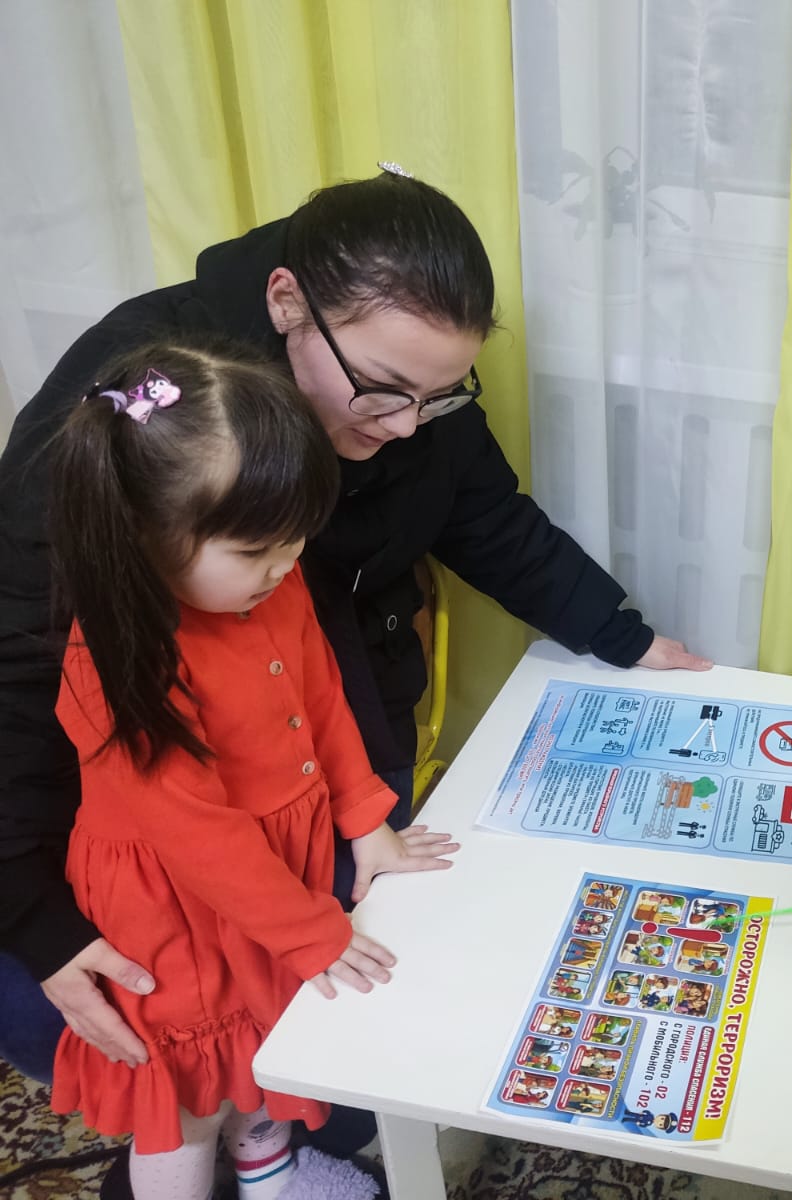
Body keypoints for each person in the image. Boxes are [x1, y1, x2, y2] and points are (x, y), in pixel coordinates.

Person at [0, 167, 708, 1160]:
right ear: (286, 301)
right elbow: (25, 671)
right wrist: (35, 918)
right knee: (222, 1070)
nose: (406, 424)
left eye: (436, 396)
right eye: (381, 390)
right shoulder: (141, 420)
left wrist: (626, 637)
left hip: (321, 778)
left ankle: (277, 1151)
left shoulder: (402, 397)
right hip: (146, 848)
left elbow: (483, 518)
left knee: (376, 1046)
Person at [46, 341, 457, 1199]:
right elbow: (196, 837)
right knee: (192, 1093)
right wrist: (311, 933)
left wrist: (364, 819)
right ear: (144, 538)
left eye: (296, 537)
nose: (285, 564)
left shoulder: (272, 580)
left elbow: (322, 696)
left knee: (261, 1048)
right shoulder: (119, 660)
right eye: (256, 549)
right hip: (177, 909)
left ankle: (270, 1175)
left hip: (270, 878)